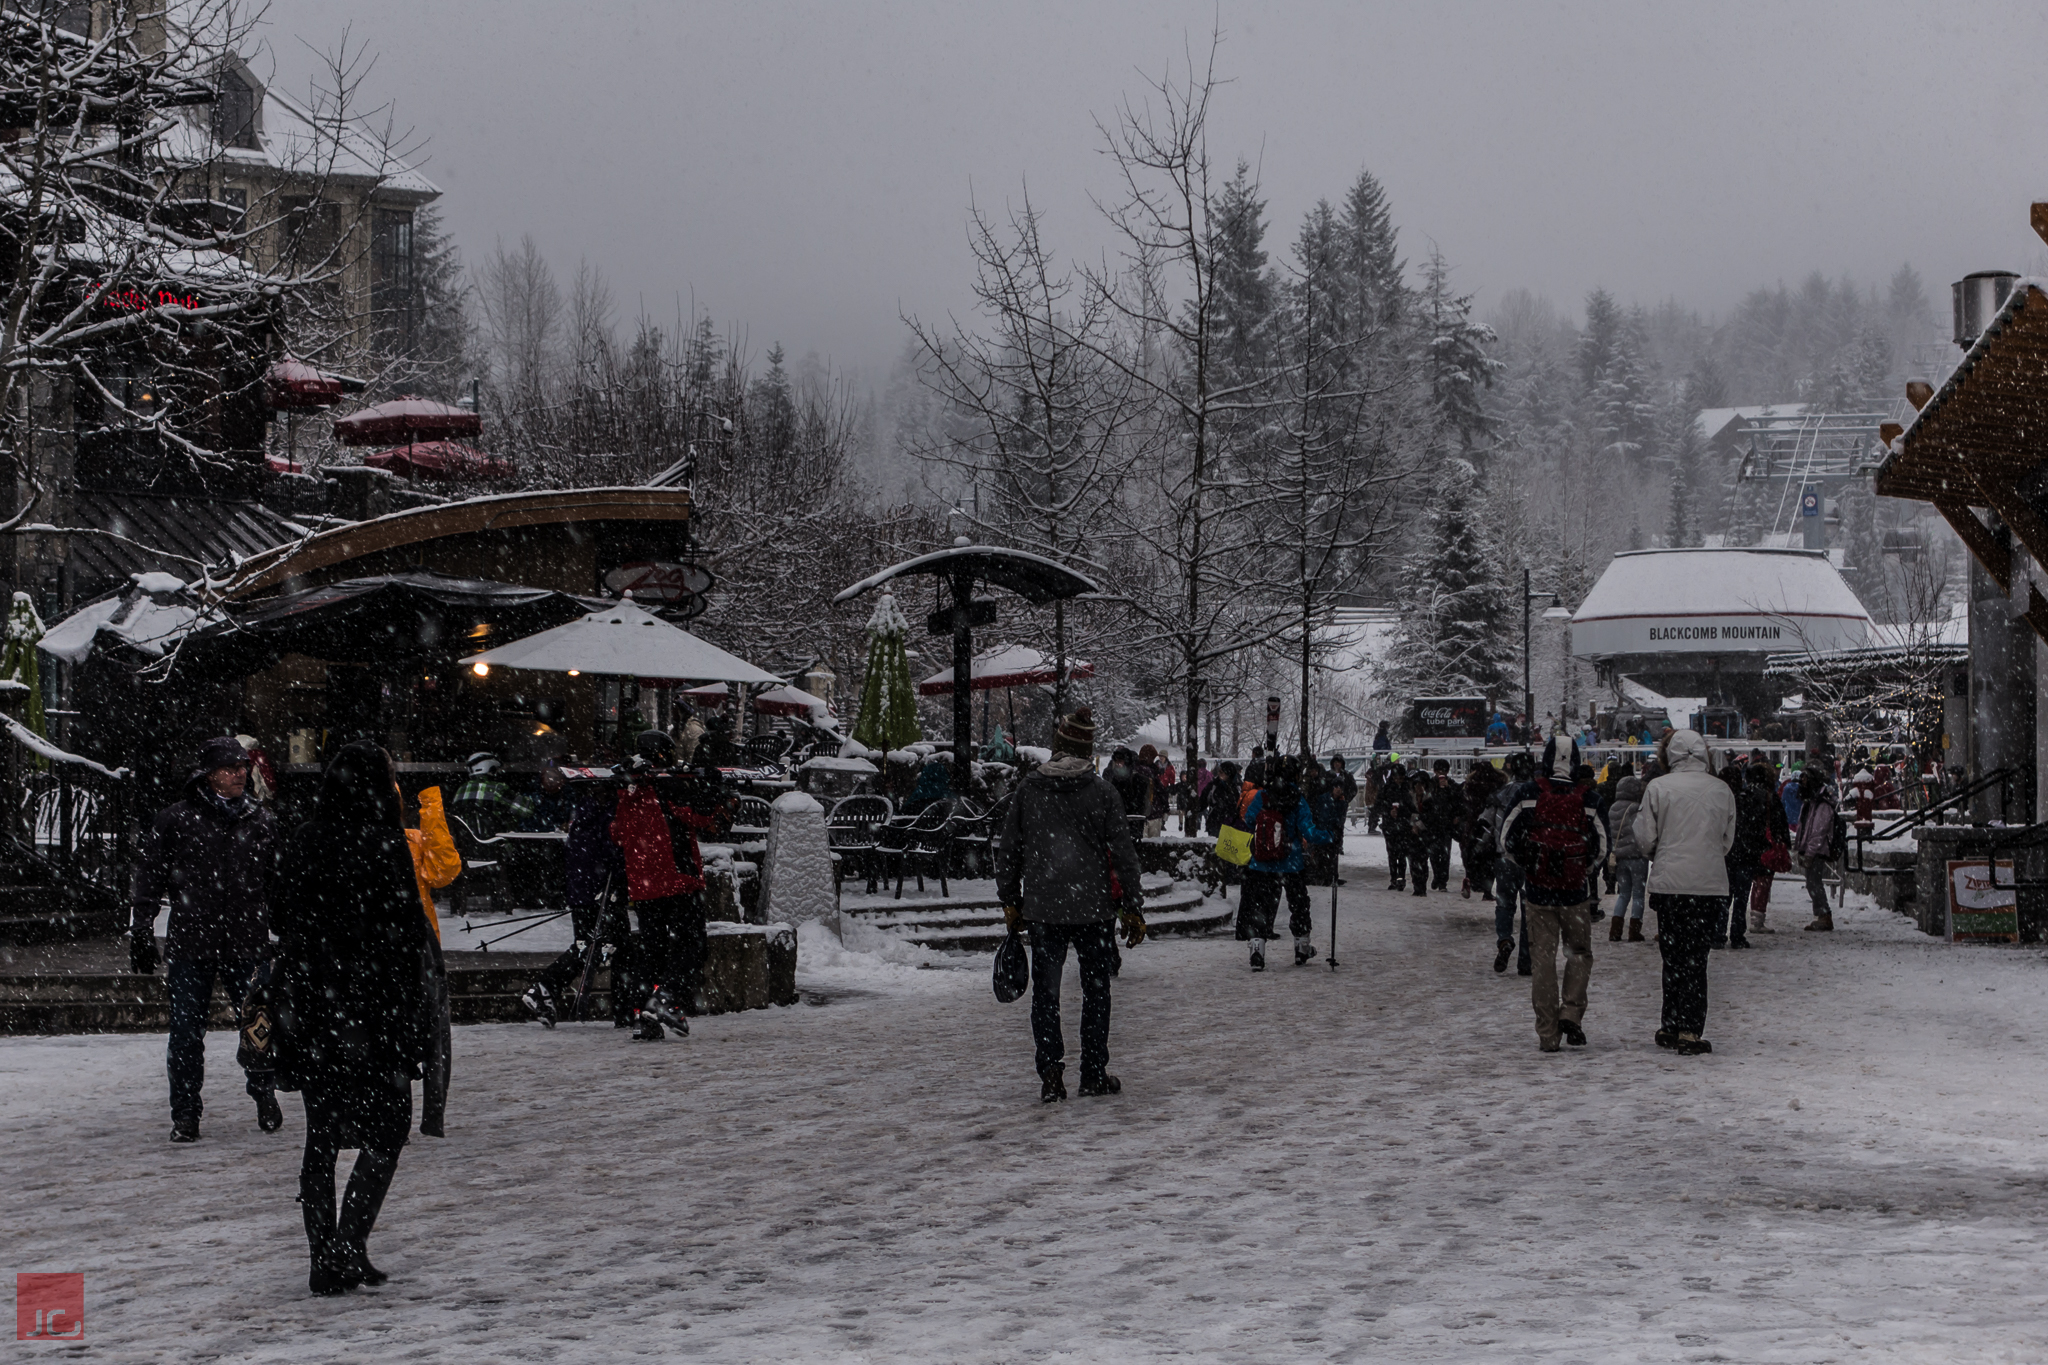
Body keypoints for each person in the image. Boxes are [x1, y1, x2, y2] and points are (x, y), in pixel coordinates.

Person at [273, 742, 433, 1295]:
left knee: (320, 1137)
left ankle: (326, 1255)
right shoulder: (382, 841)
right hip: (374, 1009)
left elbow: (281, 916)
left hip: (316, 1008)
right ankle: (348, 1243)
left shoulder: (304, 838)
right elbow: (406, 930)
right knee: (387, 1130)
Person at [130, 736, 284, 1143]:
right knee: (185, 1032)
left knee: (258, 1025)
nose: (240, 774)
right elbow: (149, 876)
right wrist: (142, 927)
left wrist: (285, 931)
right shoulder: (177, 820)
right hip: (193, 941)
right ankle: (185, 1112)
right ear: (210, 773)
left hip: (247, 940)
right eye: (231, 767)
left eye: (242, 767)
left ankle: (264, 1093)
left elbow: (278, 883)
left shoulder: (261, 820)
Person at [995, 707, 1145, 1102]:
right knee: (1096, 992)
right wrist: (1132, 905)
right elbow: (1124, 855)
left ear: (1058, 748)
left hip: (1044, 908)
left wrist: (1010, 899)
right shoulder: (1102, 792)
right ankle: (1093, 1072)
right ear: (1088, 750)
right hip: (1092, 909)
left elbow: (1008, 849)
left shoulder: (1029, 789)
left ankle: (1050, 1074)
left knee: (1047, 994)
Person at [607, 731, 725, 1039]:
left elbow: (617, 834)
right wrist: (712, 787)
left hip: (644, 886)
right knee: (693, 947)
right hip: (677, 879)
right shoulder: (669, 785)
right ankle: (666, 998)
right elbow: (701, 816)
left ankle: (641, 1015)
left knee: (652, 952)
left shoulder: (627, 789)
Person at [1632, 729, 1735, 1056]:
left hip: (1670, 884)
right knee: (1696, 959)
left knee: (1672, 956)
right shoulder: (1721, 790)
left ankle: (1670, 1022)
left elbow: (1645, 837)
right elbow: (1726, 840)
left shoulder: (1658, 788)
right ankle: (1691, 1029)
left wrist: (1660, 855)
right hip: (1708, 885)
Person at [1500, 737, 1607, 1052]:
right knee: (1579, 953)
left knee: (1542, 961)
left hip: (1538, 892)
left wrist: (1529, 865)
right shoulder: (1590, 799)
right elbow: (1602, 847)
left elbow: (1506, 838)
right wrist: (1582, 870)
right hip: (1575, 893)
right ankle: (1571, 1012)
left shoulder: (1528, 793)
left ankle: (1548, 1033)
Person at [401, 785, 461, 1137]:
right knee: (421, 1035)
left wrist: (432, 806)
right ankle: (400, 1115)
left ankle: (432, 1114)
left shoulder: (411, 841)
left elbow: (445, 869)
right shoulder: (355, 843)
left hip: (421, 949)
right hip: (397, 952)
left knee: (435, 1035)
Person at [1238, 755, 1331, 968]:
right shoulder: (1298, 798)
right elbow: (1308, 830)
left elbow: (1250, 819)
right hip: (1291, 862)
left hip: (1261, 863)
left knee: (1260, 906)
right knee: (1298, 905)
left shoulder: (1262, 796)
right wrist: (1328, 836)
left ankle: (1257, 952)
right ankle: (1301, 948)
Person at [1486, 752, 1536, 973]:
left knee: (1504, 904)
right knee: (1529, 909)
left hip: (1504, 856)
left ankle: (1505, 939)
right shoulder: (1539, 793)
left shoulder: (1501, 793)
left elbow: (1485, 822)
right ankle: (1526, 959)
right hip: (1531, 859)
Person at [1795, 765, 1843, 932]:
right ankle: (1822, 915)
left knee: (1813, 883)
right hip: (1814, 849)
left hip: (1818, 850)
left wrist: (1809, 852)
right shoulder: (1813, 802)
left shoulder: (1821, 805)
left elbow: (1818, 831)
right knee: (1812, 883)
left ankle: (1824, 915)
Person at [1746, 762, 1792, 935]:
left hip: (1748, 844)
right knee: (1763, 883)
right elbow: (1780, 822)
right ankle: (1757, 919)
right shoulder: (1770, 797)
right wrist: (1783, 842)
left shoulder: (1744, 795)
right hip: (1767, 844)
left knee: (1747, 884)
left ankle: (1738, 920)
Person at [1605, 764, 1648, 942]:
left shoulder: (1613, 808)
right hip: (1637, 856)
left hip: (1620, 857)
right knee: (1638, 894)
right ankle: (1634, 931)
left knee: (1623, 894)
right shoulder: (1636, 808)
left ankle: (1615, 931)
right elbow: (1642, 831)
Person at [450, 751, 535, 837]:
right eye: (495, 769)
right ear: (490, 768)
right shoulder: (496, 788)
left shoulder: (460, 790)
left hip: (467, 845)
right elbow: (526, 810)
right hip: (494, 845)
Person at [1372, 761, 1426, 894]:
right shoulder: (1386, 789)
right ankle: (1393, 878)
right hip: (1390, 825)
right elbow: (1378, 805)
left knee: (1401, 854)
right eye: (1396, 778)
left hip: (1402, 825)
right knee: (1392, 854)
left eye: (1400, 778)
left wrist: (1402, 812)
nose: (1398, 780)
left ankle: (1400, 878)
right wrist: (1388, 811)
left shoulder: (1406, 790)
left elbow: (1411, 808)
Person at [1459, 758, 1507, 901]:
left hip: (1474, 824)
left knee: (1471, 853)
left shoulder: (1471, 785)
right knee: (1490, 859)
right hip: (1492, 825)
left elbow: (1465, 803)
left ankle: (1471, 878)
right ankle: (1487, 889)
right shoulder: (1499, 785)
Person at [1420, 759, 1460, 892]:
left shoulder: (1452, 785)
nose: (1441, 774)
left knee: (1445, 854)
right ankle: (1437, 876)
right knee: (1434, 854)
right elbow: (1424, 802)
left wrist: (1448, 789)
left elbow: (1457, 802)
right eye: (1438, 771)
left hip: (1446, 824)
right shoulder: (1430, 785)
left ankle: (1443, 881)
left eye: (1444, 771)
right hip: (1432, 823)